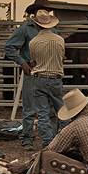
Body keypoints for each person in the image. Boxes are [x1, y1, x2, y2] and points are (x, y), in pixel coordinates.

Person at [5, 0, 51, 149]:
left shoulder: (51, 28)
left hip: (48, 72)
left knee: (48, 108)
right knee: (30, 107)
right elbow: (9, 47)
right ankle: (27, 138)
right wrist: (23, 62)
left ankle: (48, 139)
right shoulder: (26, 28)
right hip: (33, 71)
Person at [29, 9, 66, 147]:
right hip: (56, 78)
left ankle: (47, 141)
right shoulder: (60, 40)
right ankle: (64, 137)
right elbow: (61, 57)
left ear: (37, 25)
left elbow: (33, 61)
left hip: (40, 78)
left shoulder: (33, 42)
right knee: (61, 110)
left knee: (43, 112)